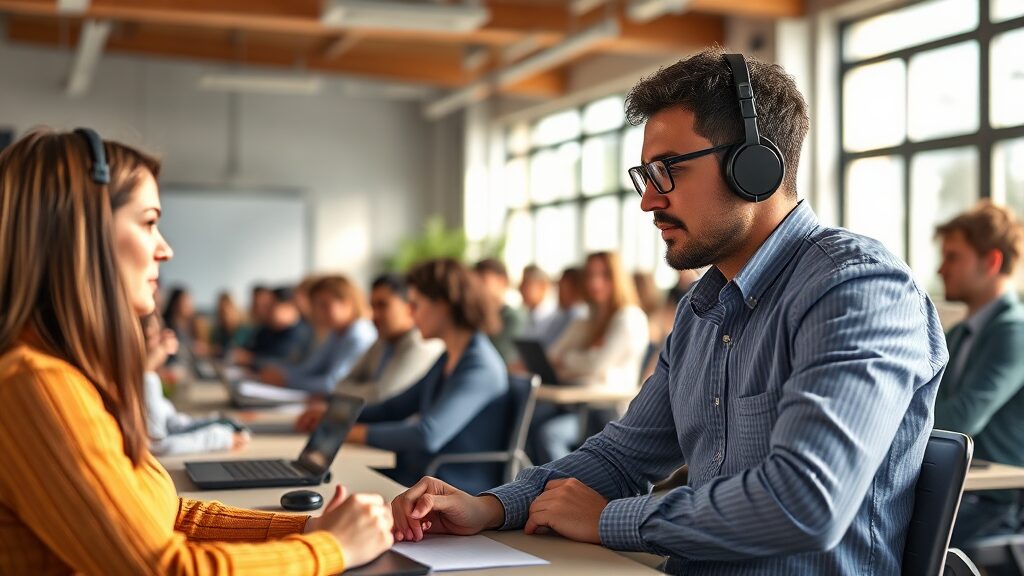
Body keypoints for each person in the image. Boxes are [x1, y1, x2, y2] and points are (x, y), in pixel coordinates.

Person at [387, 49, 947, 575]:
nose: (649, 199)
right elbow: (623, 458)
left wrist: (607, 521)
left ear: (754, 168)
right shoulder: (702, 309)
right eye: (645, 176)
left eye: (668, 169)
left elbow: (806, 501)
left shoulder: (857, 289)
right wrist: (489, 507)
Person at [0, 128, 393, 574]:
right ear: (82, 235)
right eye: (149, 222)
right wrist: (331, 548)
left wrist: (307, 528)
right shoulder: (37, 384)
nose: (165, 249)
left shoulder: (69, 376)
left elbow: (166, 515)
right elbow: (163, 569)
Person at [344, 259, 509, 495]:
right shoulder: (449, 357)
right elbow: (394, 408)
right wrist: (338, 418)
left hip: (453, 488)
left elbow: (428, 434)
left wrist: (359, 433)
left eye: (415, 304)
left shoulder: (480, 365)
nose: (409, 313)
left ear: (442, 305)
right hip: (423, 475)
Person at [933, 201, 1024, 547]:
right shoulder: (957, 334)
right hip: (959, 491)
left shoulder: (1014, 332)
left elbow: (961, 417)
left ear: (992, 261)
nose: (941, 269)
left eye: (953, 257)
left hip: (997, 504)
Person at [530, 251, 649, 463]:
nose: (595, 282)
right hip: (582, 406)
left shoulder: (629, 318)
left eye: (604, 275)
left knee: (550, 434)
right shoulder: (588, 318)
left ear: (617, 279)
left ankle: (567, 485)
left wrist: (572, 360)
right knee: (533, 421)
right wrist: (583, 357)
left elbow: (595, 364)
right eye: (590, 275)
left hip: (611, 411)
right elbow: (552, 355)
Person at [294, 274, 445, 430]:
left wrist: (342, 396)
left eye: (383, 305)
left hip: (395, 437)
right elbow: (340, 384)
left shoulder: (419, 343)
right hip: (375, 429)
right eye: (373, 306)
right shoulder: (382, 341)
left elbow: (381, 395)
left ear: (409, 307)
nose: (374, 315)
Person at [142, 313, 249, 456]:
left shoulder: (149, 379)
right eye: (153, 337)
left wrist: (218, 423)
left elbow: (172, 424)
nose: (164, 341)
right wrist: (218, 439)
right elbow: (157, 446)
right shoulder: (142, 381)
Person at [257, 275, 376, 394]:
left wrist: (286, 381)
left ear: (347, 303)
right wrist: (280, 374)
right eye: (317, 306)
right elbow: (309, 368)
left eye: (325, 306)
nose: (318, 313)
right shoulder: (337, 332)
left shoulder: (359, 335)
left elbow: (334, 384)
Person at [474, 258, 525, 363]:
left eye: (483, 281)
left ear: (502, 281)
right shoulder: (475, 316)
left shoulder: (512, 318)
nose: (477, 288)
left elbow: (501, 357)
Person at [518, 264, 558, 347]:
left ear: (542, 286)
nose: (520, 288)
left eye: (526, 283)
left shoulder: (554, 319)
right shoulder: (527, 315)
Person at [210, 291, 251, 359]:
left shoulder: (244, 330)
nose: (223, 316)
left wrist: (212, 350)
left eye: (224, 312)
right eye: (220, 311)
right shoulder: (219, 331)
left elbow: (233, 352)